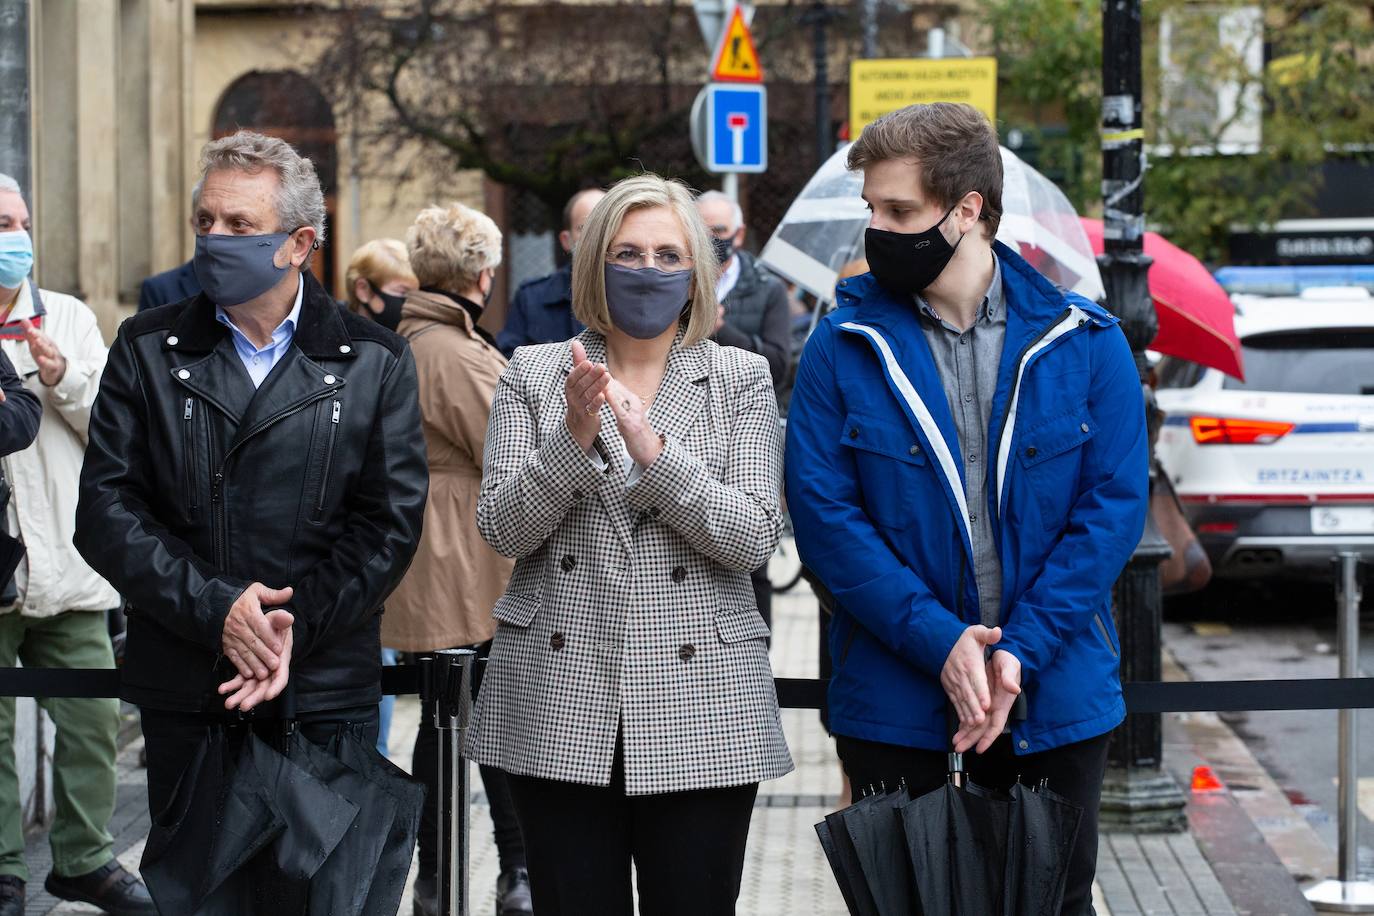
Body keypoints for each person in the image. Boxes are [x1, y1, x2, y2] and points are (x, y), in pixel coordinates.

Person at [785, 102, 1148, 916]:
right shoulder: (841, 344)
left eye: (899, 210)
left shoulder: (1086, 341)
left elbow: (1112, 513)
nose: (877, 228)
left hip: (1052, 697)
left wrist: (1018, 652)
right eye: (871, 209)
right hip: (894, 699)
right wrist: (941, 641)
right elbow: (824, 517)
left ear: (969, 209)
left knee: (1051, 905)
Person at [74, 132, 428, 840]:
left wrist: (286, 635)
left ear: (298, 244)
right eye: (205, 222)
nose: (214, 240)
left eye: (239, 225)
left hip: (322, 689)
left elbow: (388, 525)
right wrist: (219, 610)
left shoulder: (375, 361)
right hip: (188, 684)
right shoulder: (145, 347)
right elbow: (106, 511)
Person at [469, 173, 792, 916]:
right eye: (627, 252)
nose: (647, 271)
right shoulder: (534, 372)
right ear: (593, 264)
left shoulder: (740, 378)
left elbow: (751, 537)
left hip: (701, 701)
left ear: (697, 274)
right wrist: (573, 441)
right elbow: (503, 529)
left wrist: (656, 454)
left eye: (667, 255)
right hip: (558, 696)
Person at [384, 203, 529, 916]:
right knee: (476, 726)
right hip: (462, 553)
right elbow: (507, 451)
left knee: (444, 725)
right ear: (481, 273)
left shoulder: (407, 339)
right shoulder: (456, 353)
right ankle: (502, 872)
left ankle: (443, 877)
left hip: (430, 547)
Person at [0, 177, 121, 916]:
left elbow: (116, 429)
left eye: (19, 221)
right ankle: (3, 870)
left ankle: (85, 858)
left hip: (72, 566)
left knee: (94, 722)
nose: (14, 236)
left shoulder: (68, 317)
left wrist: (62, 377)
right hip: (1, 569)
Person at [695, 190, 792, 632]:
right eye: (703, 231)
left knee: (748, 552)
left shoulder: (767, 287)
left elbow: (778, 363)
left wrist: (723, 328)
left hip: (744, 428)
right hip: (691, 424)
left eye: (719, 231)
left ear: (739, 234)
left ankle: (755, 645)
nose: (713, 241)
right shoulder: (682, 279)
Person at [343, 237, 421, 757]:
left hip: (381, 537)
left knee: (383, 658)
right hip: (343, 537)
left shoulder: (401, 350)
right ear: (364, 290)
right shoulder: (346, 347)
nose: (406, 303)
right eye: (398, 291)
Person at [495, 188, 605, 356]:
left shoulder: (634, 293)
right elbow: (509, 363)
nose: (595, 236)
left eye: (603, 226)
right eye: (585, 228)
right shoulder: (532, 299)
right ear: (566, 240)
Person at [345, 237, 419, 332]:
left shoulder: (414, 335)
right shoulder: (335, 335)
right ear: (363, 289)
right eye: (403, 292)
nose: (413, 303)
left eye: (415, 293)